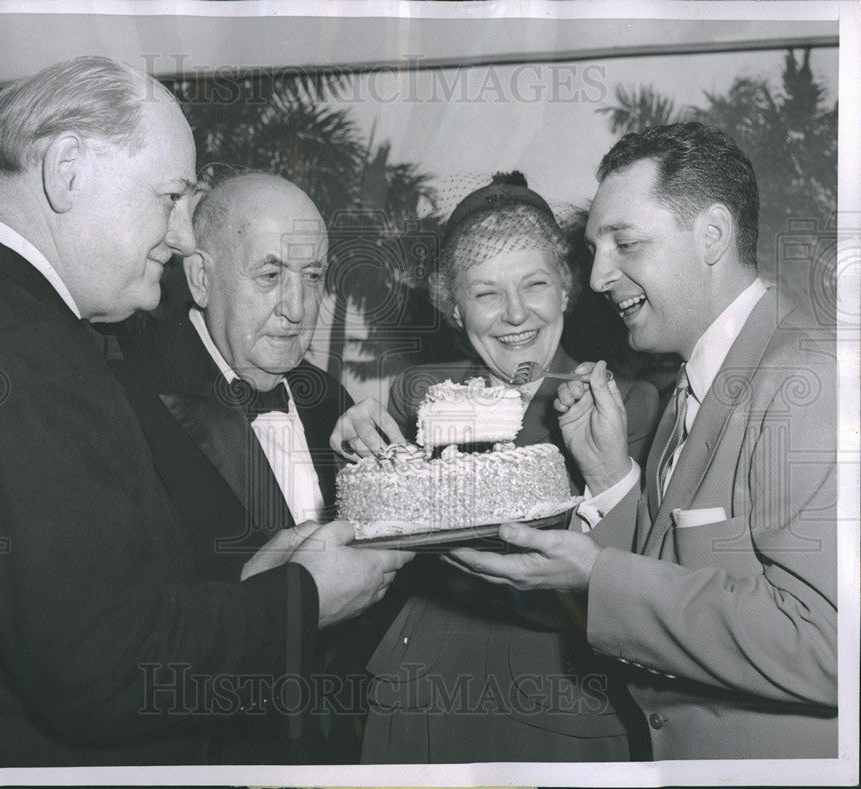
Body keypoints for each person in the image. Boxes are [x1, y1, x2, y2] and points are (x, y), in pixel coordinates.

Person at [0, 56, 410, 768]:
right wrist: (306, 597)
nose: (181, 234)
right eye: (169, 197)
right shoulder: (22, 345)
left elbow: (79, 611)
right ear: (67, 170)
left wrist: (253, 587)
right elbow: (100, 670)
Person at [447, 123, 837, 759]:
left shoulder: (807, 379)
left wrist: (597, 574)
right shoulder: (694, 385)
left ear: (711, 236)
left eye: (624, 244)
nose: (598, 277)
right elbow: (687, 576)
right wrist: (610, 477)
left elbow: (830, 644)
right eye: (596, 248)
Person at [330, 175, 660, 763]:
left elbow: (629, 578)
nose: (515, 314)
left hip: (554, 696)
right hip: (419, 685)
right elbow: (383, 537)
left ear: (566, 291)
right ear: (455, 308)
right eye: (486, 294)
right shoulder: (418, 392)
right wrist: (363, 453)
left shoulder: (622, 402)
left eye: (534, 285)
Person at [112, 173, 367, 762]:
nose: (299, 308)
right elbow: (116, 643)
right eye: (271, 275)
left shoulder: (329, 398)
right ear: (200, 278)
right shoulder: (125, 400)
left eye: (312, 277)